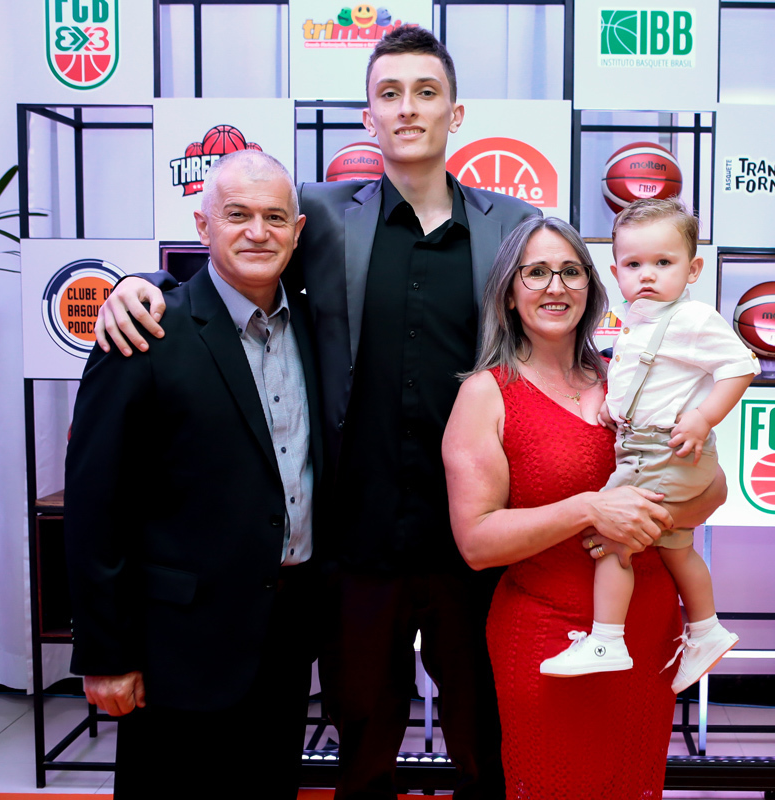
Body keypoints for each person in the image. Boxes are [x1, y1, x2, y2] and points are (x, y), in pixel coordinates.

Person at [94, 27, 536, 800]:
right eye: (389, 94)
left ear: (455, 113)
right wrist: (141, 286)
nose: (407, 109)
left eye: (425, 92)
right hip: (354, 547)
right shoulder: (321, 215)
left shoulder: (514, 225)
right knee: (359, 749)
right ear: (369, 117)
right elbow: (233, 249)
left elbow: (561, 320)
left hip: (474, 545)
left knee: (487, 744)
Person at [442, 216, 729, 798]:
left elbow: (714, 489)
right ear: (509, 292)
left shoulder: (633, 374)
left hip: (647, 632)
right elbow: (476, 543)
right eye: (536, 272)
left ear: (593, 287)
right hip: (549, 635)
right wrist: (592, 510)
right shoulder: (485, 393)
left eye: (571, 271)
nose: (556, 286)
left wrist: (652, 516)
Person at [65, 150, 320, 799]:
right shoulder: (145, 329)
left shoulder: (319, 329)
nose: (257, 232)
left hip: (286, 635)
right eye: (237, 215)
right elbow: (96, 506)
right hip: (176, 648)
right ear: (202, 225)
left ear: (297, 232)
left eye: (274, 217)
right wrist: (106, 655)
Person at [539, 198, 759, 692]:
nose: (648, 275)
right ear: (615, 271)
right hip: (647, 444)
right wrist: (613, 407)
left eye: (664, 262)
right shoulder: (640, 321)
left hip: (663, 450)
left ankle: (607, 639)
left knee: (614, 539)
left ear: (693, 269)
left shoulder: (692, 318)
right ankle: (706, 628)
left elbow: (741, 366)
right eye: (634, 265)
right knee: (677, 547)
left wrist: (703, 417)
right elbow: (648, 376)